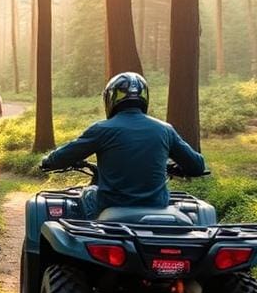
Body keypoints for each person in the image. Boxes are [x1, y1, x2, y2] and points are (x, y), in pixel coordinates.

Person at [40, 72, 206, 216]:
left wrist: (48, 161)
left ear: (111, 99)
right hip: (157, 206)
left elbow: (65, 155)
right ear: (144, 97)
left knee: (89, 193)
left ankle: (87, 241)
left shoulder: (102, 129)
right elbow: (197, 165)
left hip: (111, 206)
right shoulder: (165, 130)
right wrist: (178, 167)